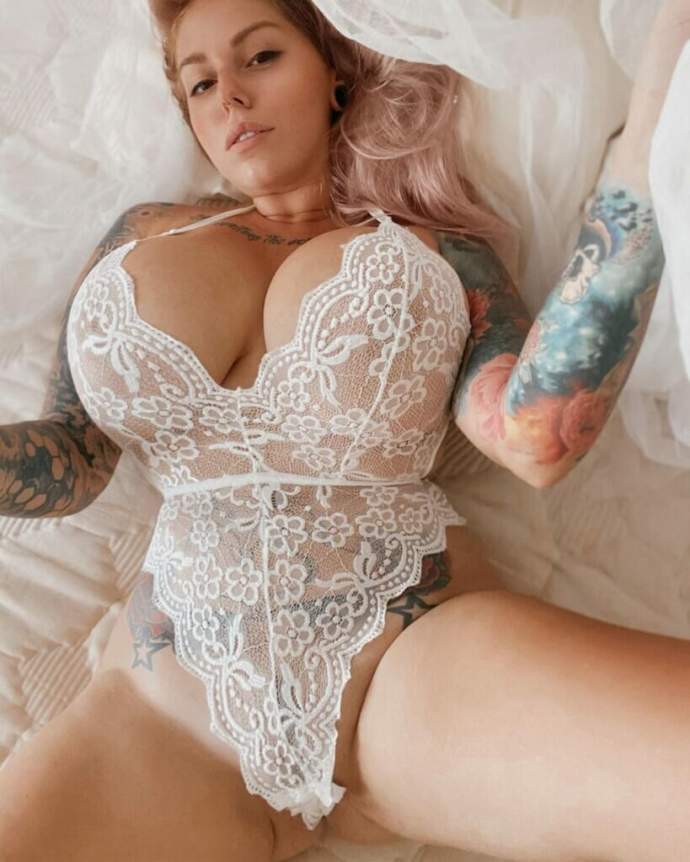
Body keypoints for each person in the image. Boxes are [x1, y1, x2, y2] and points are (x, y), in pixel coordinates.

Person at [0, 0, 687, 860]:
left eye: (260, 57)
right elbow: (71, 458)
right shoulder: (136, 239)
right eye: (200, 84)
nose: (230, 97)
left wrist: (650, 127)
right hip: (165, 717)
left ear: (332, 74)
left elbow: (537, 432)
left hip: (416, 678)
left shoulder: (437, 251)